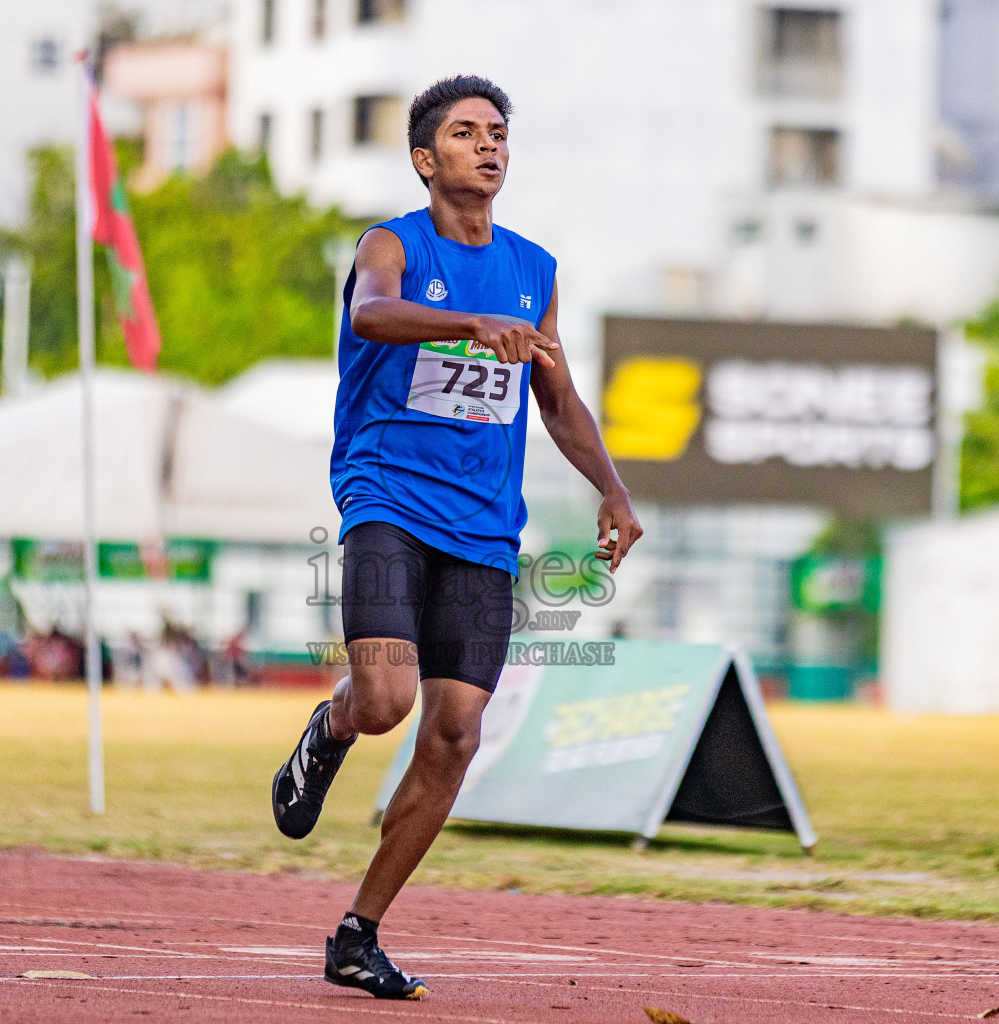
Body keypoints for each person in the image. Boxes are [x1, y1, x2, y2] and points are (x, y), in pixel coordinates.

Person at [270, 75, 643, 1001]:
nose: (490, 146)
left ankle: (358, 934)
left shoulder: (533, 269)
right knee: (387, 698)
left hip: (483, 529)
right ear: (424, 159)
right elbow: (371, 313)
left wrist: (612, 489)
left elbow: (557, 397)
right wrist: (473, 323)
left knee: (455, 733)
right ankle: (331, 727)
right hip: (388, 498)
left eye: (499, 133)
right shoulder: (393, 244)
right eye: (468, 133)